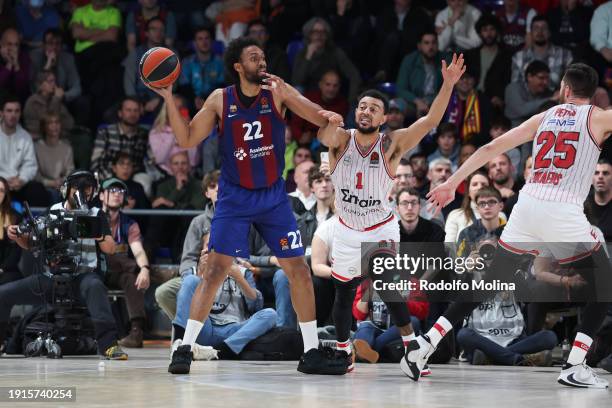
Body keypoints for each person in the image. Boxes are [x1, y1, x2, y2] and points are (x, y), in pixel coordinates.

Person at [148, 37, 347, 375]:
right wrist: (168, 97)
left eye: (263, 57)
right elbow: (186, 140)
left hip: (272, 196)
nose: (262, 62)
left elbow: (317, 116)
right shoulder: (220, 100)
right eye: (254, 58)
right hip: (234, 196)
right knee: (213, 270)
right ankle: (184, 347)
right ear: (239, 66)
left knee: (297, 269)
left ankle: (311, 351)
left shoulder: (277, 91)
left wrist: (330, 117)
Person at [407, 63, 612, 388]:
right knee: (604, 283)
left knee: (490, 281)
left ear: (565, 89)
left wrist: (453, 183)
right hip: (562, 208)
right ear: (591, 92)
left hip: (527, 204)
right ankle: (575, 364)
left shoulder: (544, 117)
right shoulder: (600, 117)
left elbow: (489, 149)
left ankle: (425, 344)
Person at [316, 53, 465, 373]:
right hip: (345, 226)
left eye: (374, 108)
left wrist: (448, 84)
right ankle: (344, 350)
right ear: (355, 112)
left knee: (386, 281)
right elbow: (321, 133)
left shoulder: (392, 143)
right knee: (343, 293)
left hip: (380, 226)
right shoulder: (341, 139)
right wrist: (317, 116)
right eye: (362, 106)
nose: (366, 111)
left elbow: (430, 121)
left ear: (384, 118)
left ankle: (412, 348)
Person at [4, 170, 128, 360]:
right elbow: (30, 243)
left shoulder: (96, 214)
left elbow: (110, 248)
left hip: (83, 277)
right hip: (50, 278)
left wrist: (95, 231)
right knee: (4, 293)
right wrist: (18, 236)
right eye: (78, 189)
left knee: (95, 286)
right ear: (67, 189)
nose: (83, 194)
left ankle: (109, 345)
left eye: (88, 190)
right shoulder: (53, 211)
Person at [99, 178, 150, 348]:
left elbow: (138, 250)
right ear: (100, 196)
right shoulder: (92, 218)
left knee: (131, 276)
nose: (116, 195)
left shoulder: (129, 223)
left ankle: (136, 332)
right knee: (112, 255)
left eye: (120, 192)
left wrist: (144, 269)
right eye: (112, 191)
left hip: (116, 272)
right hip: (94, 270)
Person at [0, 96, 48, 206]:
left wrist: (21, 179)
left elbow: (30, 165)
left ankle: (36, 222)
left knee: (37, 190)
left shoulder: (25, 136)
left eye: (16, 111)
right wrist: (4, 181)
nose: (13, 115)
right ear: (1, 113)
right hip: (0, 182)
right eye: (9, 111)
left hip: (18, 184)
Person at [464, 13, 512, 112]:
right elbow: (464, 77)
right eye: (485, 30)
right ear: (480, 33)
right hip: (470, 97)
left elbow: (507, 80)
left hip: (493, 101)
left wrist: (500, 96)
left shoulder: (506, 56)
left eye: (492, 29)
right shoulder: (470, 55)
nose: (489, 34)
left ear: (497, 31)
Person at [178, 25, 225, 112]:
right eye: (200, 39)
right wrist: (195, 99)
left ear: (211, 41)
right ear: (194, 43)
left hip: (214, 100)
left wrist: (207, 99)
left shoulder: (220, 62)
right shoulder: (187, 62)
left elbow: (221, 85)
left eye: (207, 38)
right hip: (192, 101)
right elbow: (184, 85)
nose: (204, 42)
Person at [34, 112, 75, 203]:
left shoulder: (66, 147)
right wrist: (50, 183)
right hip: (42, 187)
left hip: (62, 186)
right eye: (50, 123)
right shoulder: (37, 147)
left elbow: (70, 170)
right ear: (44, 127)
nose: (54, 126)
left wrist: (62, 181)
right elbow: (35, 173)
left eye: (57, 122)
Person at [23, 70, 74, 139]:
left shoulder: (54, 99)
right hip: (38, 139)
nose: (54, 84)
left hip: (58, 138)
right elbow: (47, 122)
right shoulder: (33, 102)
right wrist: (56, 99)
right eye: (50, 81)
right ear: (40, 85)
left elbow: (70, 123)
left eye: (54, 81)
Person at [0, 176, 21, 285]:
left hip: (6, 269)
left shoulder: (15, 217)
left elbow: (16, 251)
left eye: (1, 190)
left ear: (5, 195)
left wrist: (2, 269)